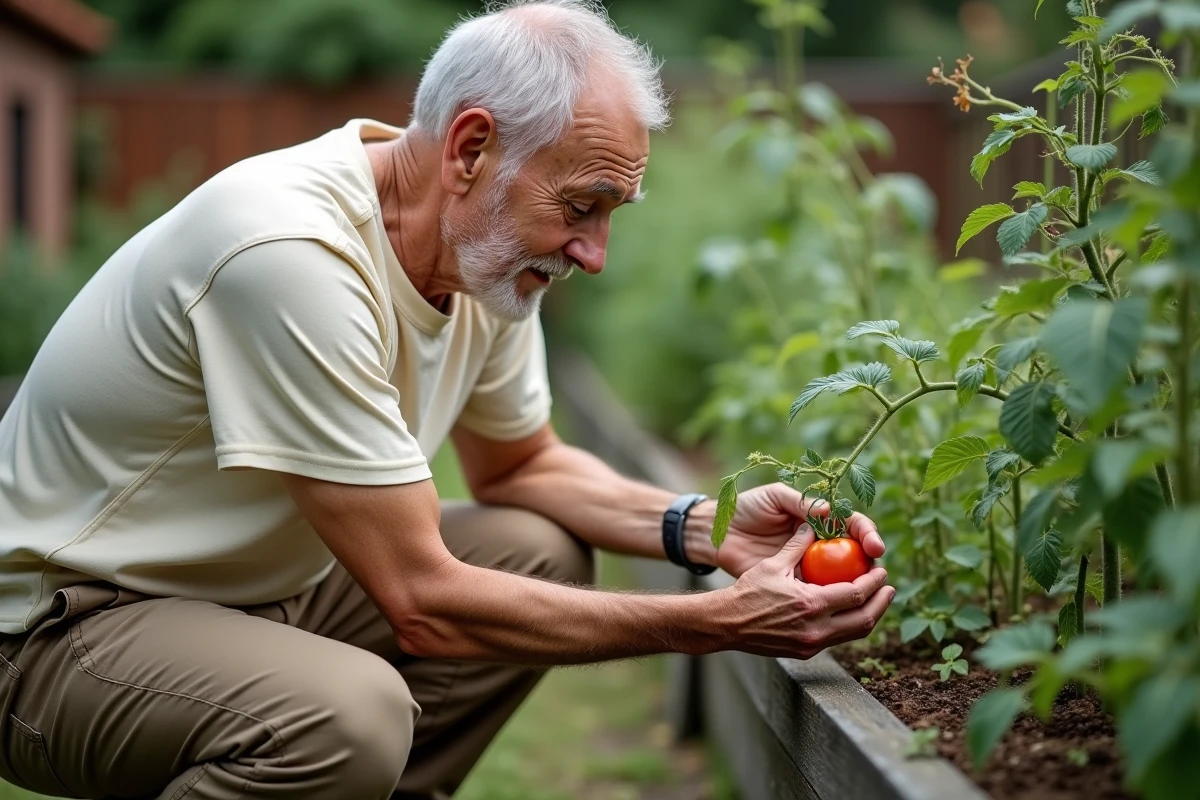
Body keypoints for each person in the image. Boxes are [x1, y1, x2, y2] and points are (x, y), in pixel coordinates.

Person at [0, 1, 895, 798]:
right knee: (347, 719)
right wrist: (710, 624)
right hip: (58, 632)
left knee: (535, 551)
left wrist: (708, 527)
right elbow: (420, 597)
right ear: (471, 149)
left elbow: (522, 464)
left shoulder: (481, 252)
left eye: (612, 211)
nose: (595, 252)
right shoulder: (288, 252)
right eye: (584, 205)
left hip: (247, 592)